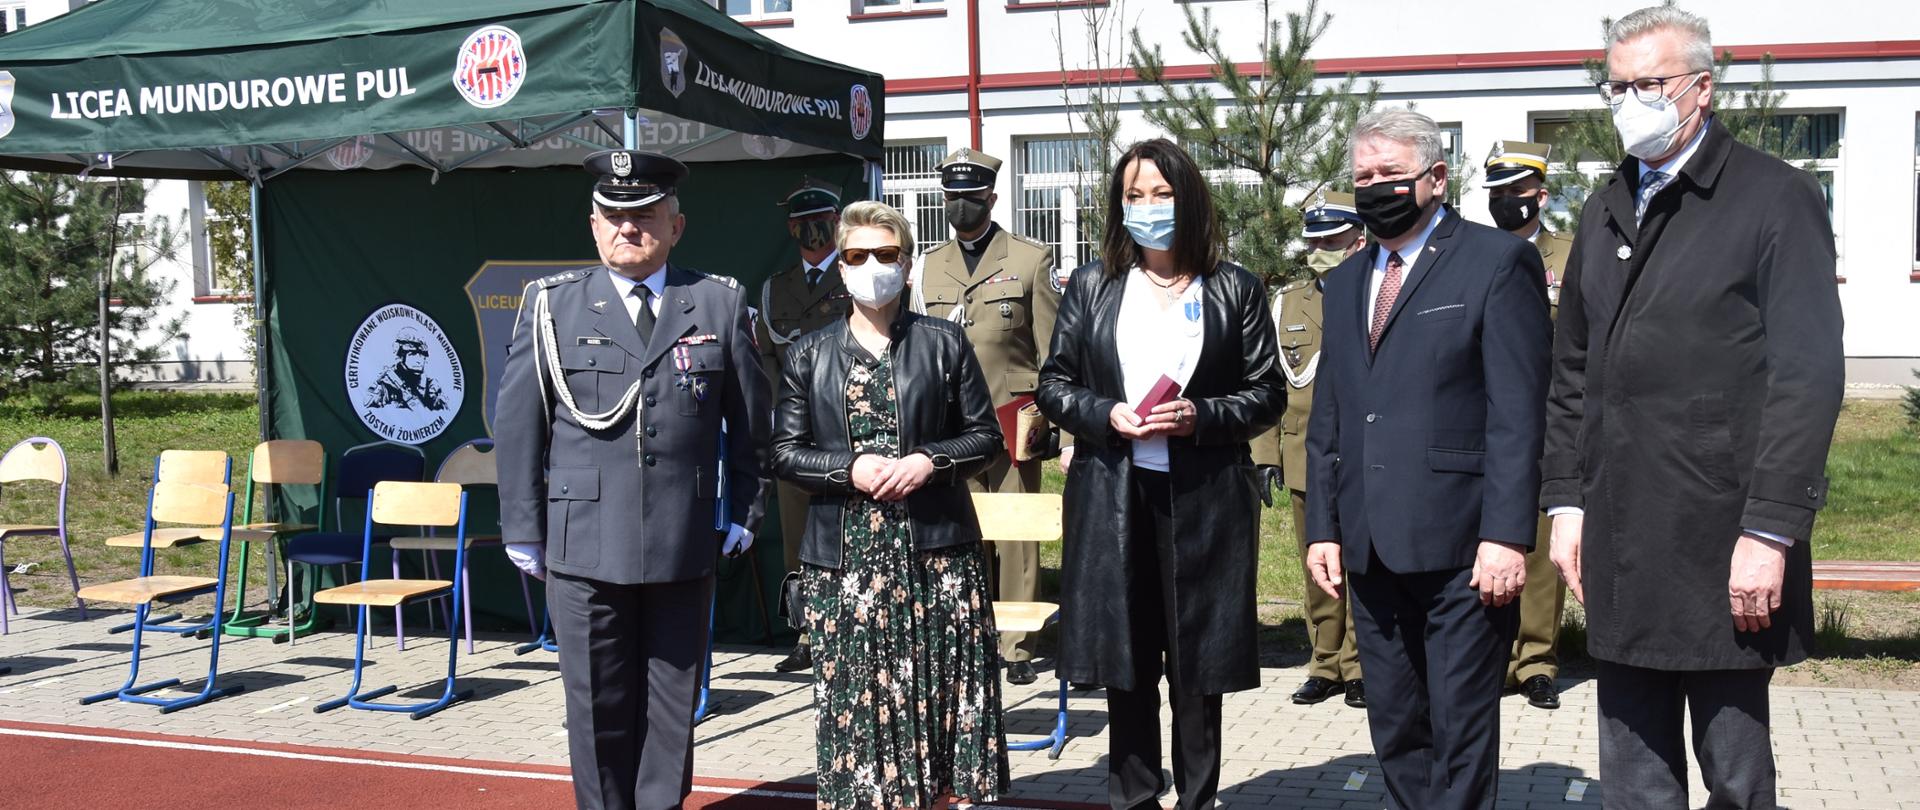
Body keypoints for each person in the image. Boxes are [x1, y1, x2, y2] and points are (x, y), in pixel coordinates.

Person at [1544, 8, 1844, 808]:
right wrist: (1566, 502)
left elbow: (1807, 376)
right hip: (1619, 533)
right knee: (1634, 778)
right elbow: (1572, 370)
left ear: (1702, 89)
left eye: (1650, 84)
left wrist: (1771, 529)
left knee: (1735, 778)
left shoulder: (1775, 197)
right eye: (1618, 87)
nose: (1630, 101)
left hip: (1724, 540)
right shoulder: (1608, 202)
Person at [495, 149, 770, 810]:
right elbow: (517, 425)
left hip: (682, 540)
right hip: (584, 546)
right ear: (593, 226)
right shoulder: (552, 306)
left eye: (645, 215)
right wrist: (525, 528)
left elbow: (753, 425)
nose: (628, 229)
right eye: (613, 216)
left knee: (672, 713)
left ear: (676, 225)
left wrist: (745, 510)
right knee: (597, 708)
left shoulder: (716, 302)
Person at [1303, 108, 1551, 810]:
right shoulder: (1348, 281)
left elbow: (1516, 412)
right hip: (1371, 547)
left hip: (1463, 549)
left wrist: (1506, 536)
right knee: (1396, 725)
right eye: (1363, 176)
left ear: (1437, 179)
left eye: (1391, 174)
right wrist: (1324, 524)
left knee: (1461, 727)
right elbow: (1333, 414)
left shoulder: (1497, 262)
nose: (1374, 187)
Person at [1037, 138, 1284, 810]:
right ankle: (1135, 797)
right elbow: (1054, 385)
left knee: (1197, 664)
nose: (1148, 207)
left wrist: (1198, 415)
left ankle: (1198, 797)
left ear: (1190, 198)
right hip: (1116, 494)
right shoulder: (1093, 285)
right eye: (1134, 195)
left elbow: (1267, 393)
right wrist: (1106, 412)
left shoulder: (1234, 287)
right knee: (1128, 657)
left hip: (1202, 499)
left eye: (1162, 193)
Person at [772, 200, 1009, 809]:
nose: (871, 266)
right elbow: (785, 454)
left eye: (885, 255)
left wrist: (930, 461)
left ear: (906, 266)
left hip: (937, 559)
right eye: (856, 256)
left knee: (944, 712)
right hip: (847, 566)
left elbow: (985, 437)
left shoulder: (944, 343)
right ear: (842, 268)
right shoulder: (808, 353)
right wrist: (846, 467)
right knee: (859, 720)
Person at [911, 147, 1060, 686]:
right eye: (953, 197)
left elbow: (1052, 352)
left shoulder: (1028, 259)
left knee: (1018, 534)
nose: (962, 206)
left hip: (1013, 414)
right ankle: (971, 630)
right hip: (951, 425)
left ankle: (1017, 644)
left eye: (972, 197)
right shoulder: (929, 265)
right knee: (964, 532)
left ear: (992, 198)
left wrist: (1056, 429)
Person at [1251, 191, 1367, 710]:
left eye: (1331, 240)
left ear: (1357, 239)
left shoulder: (1376, 289)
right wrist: (1264, 455)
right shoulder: (1289, 303)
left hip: (1365, 451)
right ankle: (1324, 662)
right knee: (1315, 563)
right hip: (1303, 453)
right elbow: (1269, 383)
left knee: (1363, 563)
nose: (1319, 249)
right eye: (1314, 240)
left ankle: (1361, 664)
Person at [1482, 140, 1574, 711]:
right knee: (1489, 539)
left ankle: (1536, 660)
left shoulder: (1571, 255)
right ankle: (1489, 656)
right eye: (1498, 192)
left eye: (1517, 191)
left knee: (1541, 542)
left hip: (1551, 417)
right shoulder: (1472, 252)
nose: (1506, 201)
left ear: (1540, 195)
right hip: (1486, 418)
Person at [756, 177, 854, 674]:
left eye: (821, 222)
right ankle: (808, 633)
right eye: (802, 224)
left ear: (837, 224)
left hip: (849, 433)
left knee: (851, 532)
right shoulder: (776, 289)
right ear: (791, 229)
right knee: (797, 537)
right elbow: (767, 359)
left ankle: (854, 628)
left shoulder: (857, 275)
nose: (812, 233)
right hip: (796, 436)